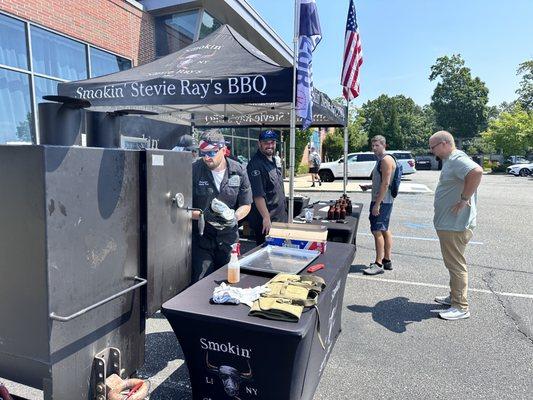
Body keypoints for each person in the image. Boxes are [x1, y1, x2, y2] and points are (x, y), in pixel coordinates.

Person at [429, 131, 483, 320]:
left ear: (444, 143)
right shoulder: (453, 160)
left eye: (432, 147)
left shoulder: (456, 159)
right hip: (451, 223)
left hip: (454, 225)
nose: (432, 152)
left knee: (455, 264)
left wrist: (463, 199)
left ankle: (460, 306)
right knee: (452, 263)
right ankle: (454, 297)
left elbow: (476, 172)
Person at [190, 129, 252, 283]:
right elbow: (181, 208)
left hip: (229, 240)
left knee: (230, 282)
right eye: (202, 152)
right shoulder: (194, 170)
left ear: (223, 150)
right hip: (203, 240)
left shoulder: (239, 170)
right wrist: (203, 216)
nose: (206, 157)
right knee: (200, 284)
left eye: (211, 153)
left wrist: (234, 217)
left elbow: (246, 204)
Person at [360, 135, 396, 275]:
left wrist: (377, 205)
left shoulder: (386, 160)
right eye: (373, 145)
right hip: (384, 200)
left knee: (377, 231)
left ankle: (378, 263)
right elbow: (382, 182)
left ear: (384, 145)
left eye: (377, 145)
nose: (374, 148)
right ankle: (387, 260)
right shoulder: (382, 160)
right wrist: (369, 186)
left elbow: (386, 184)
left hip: (381, 201)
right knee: (385, 229)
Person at [246, 130, 287, 245]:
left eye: (272, 142)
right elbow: (258, 195)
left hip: (279, 218)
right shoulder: (255, 164)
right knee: (267, 256)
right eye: (266, 143)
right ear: (259, 144)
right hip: (267, 222)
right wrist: (266, 218)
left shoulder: (273, 160)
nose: (270, 146)